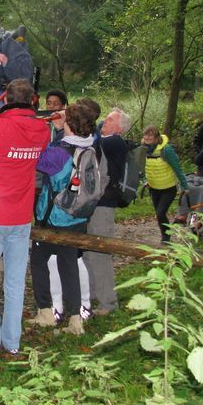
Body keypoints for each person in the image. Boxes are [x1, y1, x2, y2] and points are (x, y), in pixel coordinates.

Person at [0, 78, 50, 359]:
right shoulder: (43, 129)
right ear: (32, 100)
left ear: (5, 99)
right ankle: (12, 342)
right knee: (16, 281)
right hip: (22, 216)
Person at [29, 104, 97, 335]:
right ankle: (76, 319)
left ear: (69, 123)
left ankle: (46, 312)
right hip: (77, 218)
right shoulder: (89, 146)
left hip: (54, 218)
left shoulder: (59, 153)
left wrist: (44, 130)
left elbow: (37, 159)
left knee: (38, 262)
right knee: (69, 266)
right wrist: (61, 130)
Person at [83, 107, 132, 316]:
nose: (105, 122)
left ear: (120, 128)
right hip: (96, 203)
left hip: (103, 204)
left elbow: (91, 145)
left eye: (110, 120)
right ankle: (93, 294)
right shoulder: (107, 141)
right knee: (88, 251)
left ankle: (108, 303)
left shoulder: (113, 142)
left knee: (100, 252)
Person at [142, 125, 188, 242]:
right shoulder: (143, 149)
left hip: (168, 188)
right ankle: (165, 235)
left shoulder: (166, 150)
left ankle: (166, 238)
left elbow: (177, 168)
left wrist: (184, 186)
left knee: (160, 212)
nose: (147, 137)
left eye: (150, 135)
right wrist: (144, 180)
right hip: (154, 187)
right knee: (159, 214)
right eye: (145, 135)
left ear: (156, 137)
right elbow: (142, 168)